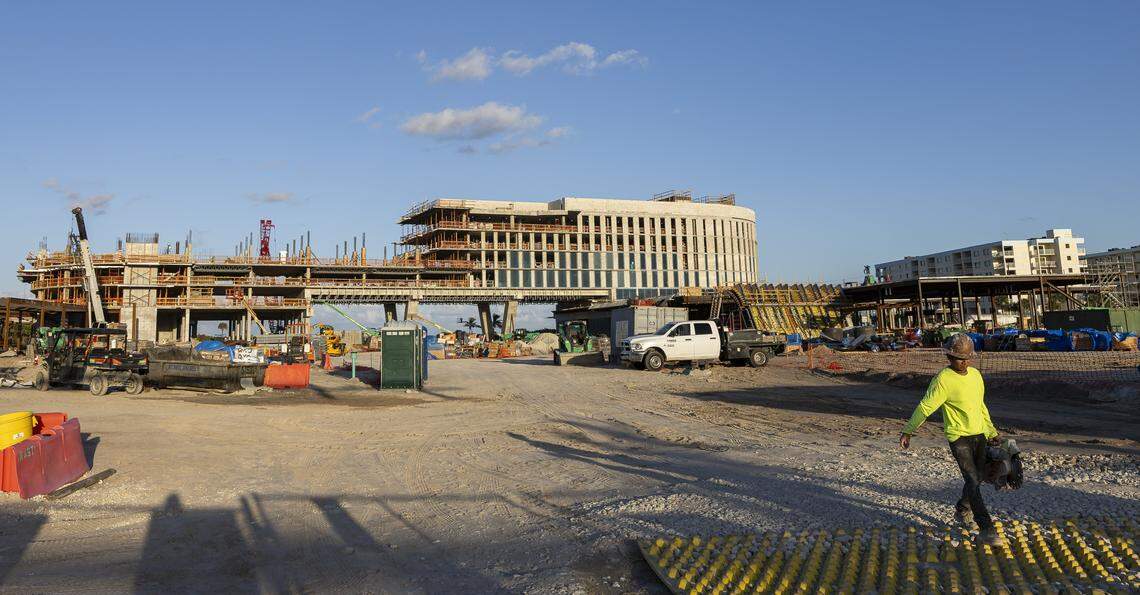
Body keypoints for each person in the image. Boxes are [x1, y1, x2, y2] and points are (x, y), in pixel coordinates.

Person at [899, 333, 1003, 546]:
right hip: (959, 437)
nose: (963, 362)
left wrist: (991, 431)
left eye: (966, 358)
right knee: (972, 480)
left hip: (979, 433)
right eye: (958, 358)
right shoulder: (943, 380)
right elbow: (926, 406)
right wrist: (909, 430)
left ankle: (962, 509)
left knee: (978, 477)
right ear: (949, 357)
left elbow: (980, 406)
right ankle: (987, 529)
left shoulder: (975, 375)